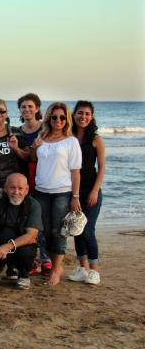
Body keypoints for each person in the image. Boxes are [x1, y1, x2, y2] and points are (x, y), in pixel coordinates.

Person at [33, 102, 82, 286]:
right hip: (41, 191)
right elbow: (33, 159)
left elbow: (75, 171)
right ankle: (53, 265)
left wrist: (75, 196)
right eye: (54, 117)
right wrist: (34, 147)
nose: (58, 120)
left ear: (67, 120)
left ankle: (56, 269)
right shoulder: (42, 137)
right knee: (44, 231)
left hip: (62, 192)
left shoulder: (71, 141)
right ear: (49, 118)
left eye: (62, 117)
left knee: (58, 231)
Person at [67, 101, 105, 285]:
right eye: (80, 113)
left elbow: (102, 168)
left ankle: (94, 271)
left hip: (91, 191)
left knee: (88, 230)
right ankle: (83, 269)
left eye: (87, 114)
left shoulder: (96, 139)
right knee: (77, 230)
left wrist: (95, 191)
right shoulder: (68, 136)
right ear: (74, 114)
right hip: (72, 191)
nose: (83, 116)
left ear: (92, 117)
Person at [17, 93, 51, 276]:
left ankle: (46, 258)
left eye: (30, 106)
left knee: (41, 219)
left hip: (42, 178)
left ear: (37, 108)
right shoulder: (17, 131)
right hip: (22, 179)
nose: (27, 109)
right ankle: (29, 260)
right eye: (23, 106)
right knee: (23, 220)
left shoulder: (46, 129)